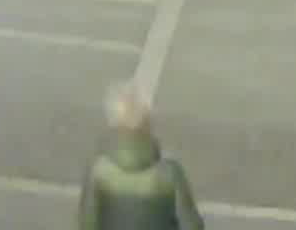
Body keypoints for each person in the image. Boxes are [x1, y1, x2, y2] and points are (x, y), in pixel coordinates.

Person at [78, 87, 206, 229]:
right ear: (148, 125)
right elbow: (191, 224)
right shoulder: (170, 172)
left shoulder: (98, 171)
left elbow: (87, 223)